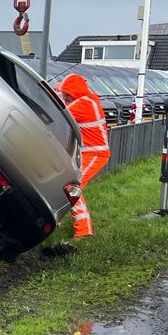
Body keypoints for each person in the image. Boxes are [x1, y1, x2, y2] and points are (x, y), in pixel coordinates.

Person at [57, 73, 110, 239]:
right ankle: (57, 219)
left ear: (74, 91)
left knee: (72, 188)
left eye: (66, 93)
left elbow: (59, 113)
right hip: (90, 152)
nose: (65, 96)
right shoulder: (89, 100)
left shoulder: (83, 103)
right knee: (68, 186)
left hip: (95, 153)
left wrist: (55, 95)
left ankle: (83, 230)